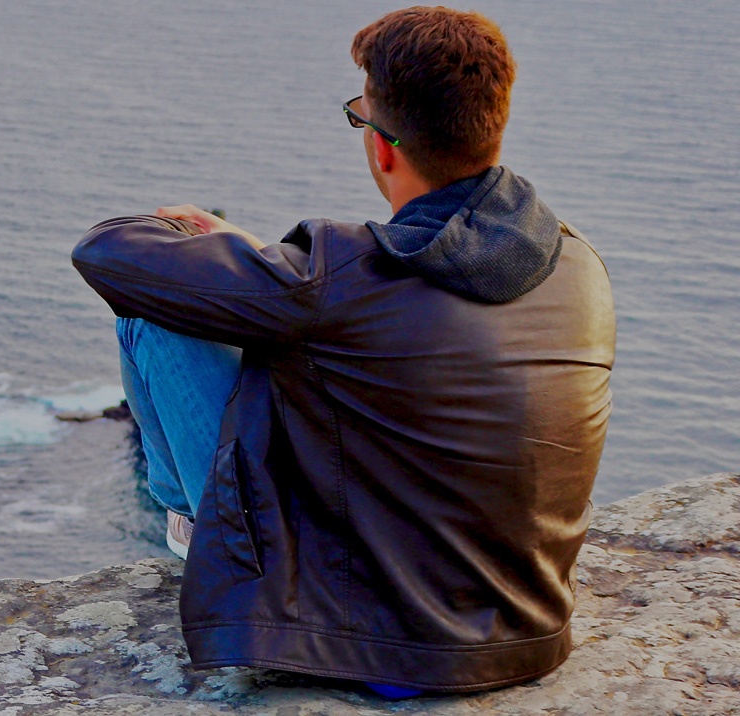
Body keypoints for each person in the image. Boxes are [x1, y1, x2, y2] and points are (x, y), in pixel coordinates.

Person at [70, 6, 614, 698]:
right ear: (491, 125)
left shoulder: (340, 272)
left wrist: (219, 246)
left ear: (383, 145)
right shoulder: (579, 262)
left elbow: (106, 256)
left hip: (379, 646)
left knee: (155, 318)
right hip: (530, 632)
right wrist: (271, 265)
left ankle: (194, 531)